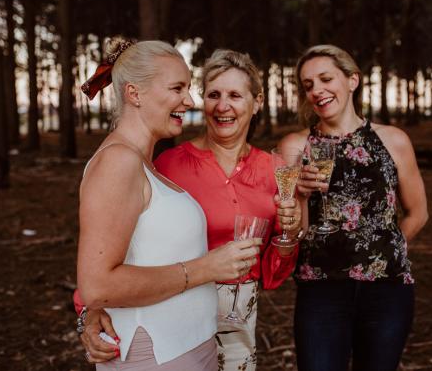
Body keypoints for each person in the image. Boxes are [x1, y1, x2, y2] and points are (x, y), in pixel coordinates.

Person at [78, 49, 302, 371]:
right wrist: (88, 309)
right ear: (134, 93)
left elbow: (273, 271)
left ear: (257, 102)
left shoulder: (276, 170)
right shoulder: (162, 163)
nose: (219, 105)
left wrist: (290, 233)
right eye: (212, 94)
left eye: (235, 95)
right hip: (161, 330)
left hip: (224, 326)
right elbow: (108, 247)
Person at [279, 44, 428, 371]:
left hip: (387, 290)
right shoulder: (295, 146)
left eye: (325, 79)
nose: (317, 90)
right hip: (320, 290)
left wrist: (388, 250)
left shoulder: (394, 140)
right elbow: (292, 232)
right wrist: (300, 196)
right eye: (308, 85)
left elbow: (418, 212)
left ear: (352, 80)